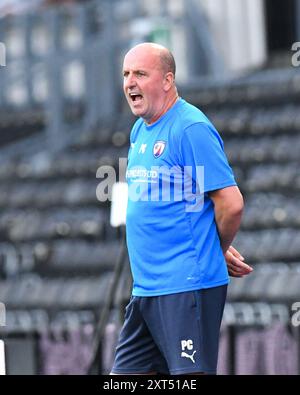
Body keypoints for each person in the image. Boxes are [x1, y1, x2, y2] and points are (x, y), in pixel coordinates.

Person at [111, 43, 252, 375]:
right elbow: (190, 200)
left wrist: (213, 248)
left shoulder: (190, 128)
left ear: (167, 80)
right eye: (126, 74)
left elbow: (231, 204)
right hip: (146, 289)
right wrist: (205, 239)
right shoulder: (140, 130)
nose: (130, 82)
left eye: (140, 74)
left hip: (184, 286)